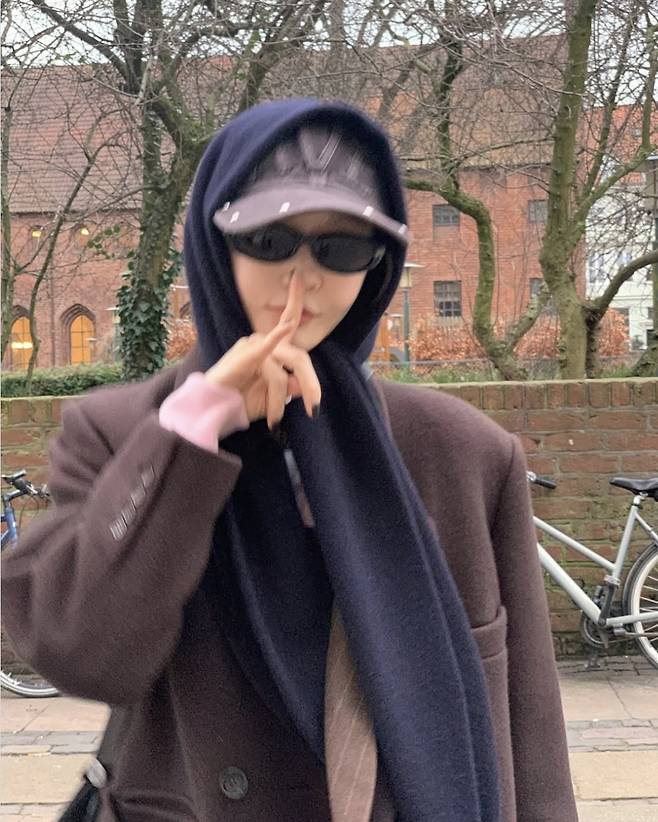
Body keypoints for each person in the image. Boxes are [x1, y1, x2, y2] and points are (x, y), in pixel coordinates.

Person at [1, 98, 578, 822]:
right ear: (217, 245)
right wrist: (193, 428)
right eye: (269, 240)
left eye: (342, 249)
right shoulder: (119, 432)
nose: (301, 279)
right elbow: (82, 651)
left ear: (378, 267)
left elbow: (530, 730)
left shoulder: (462, 453)